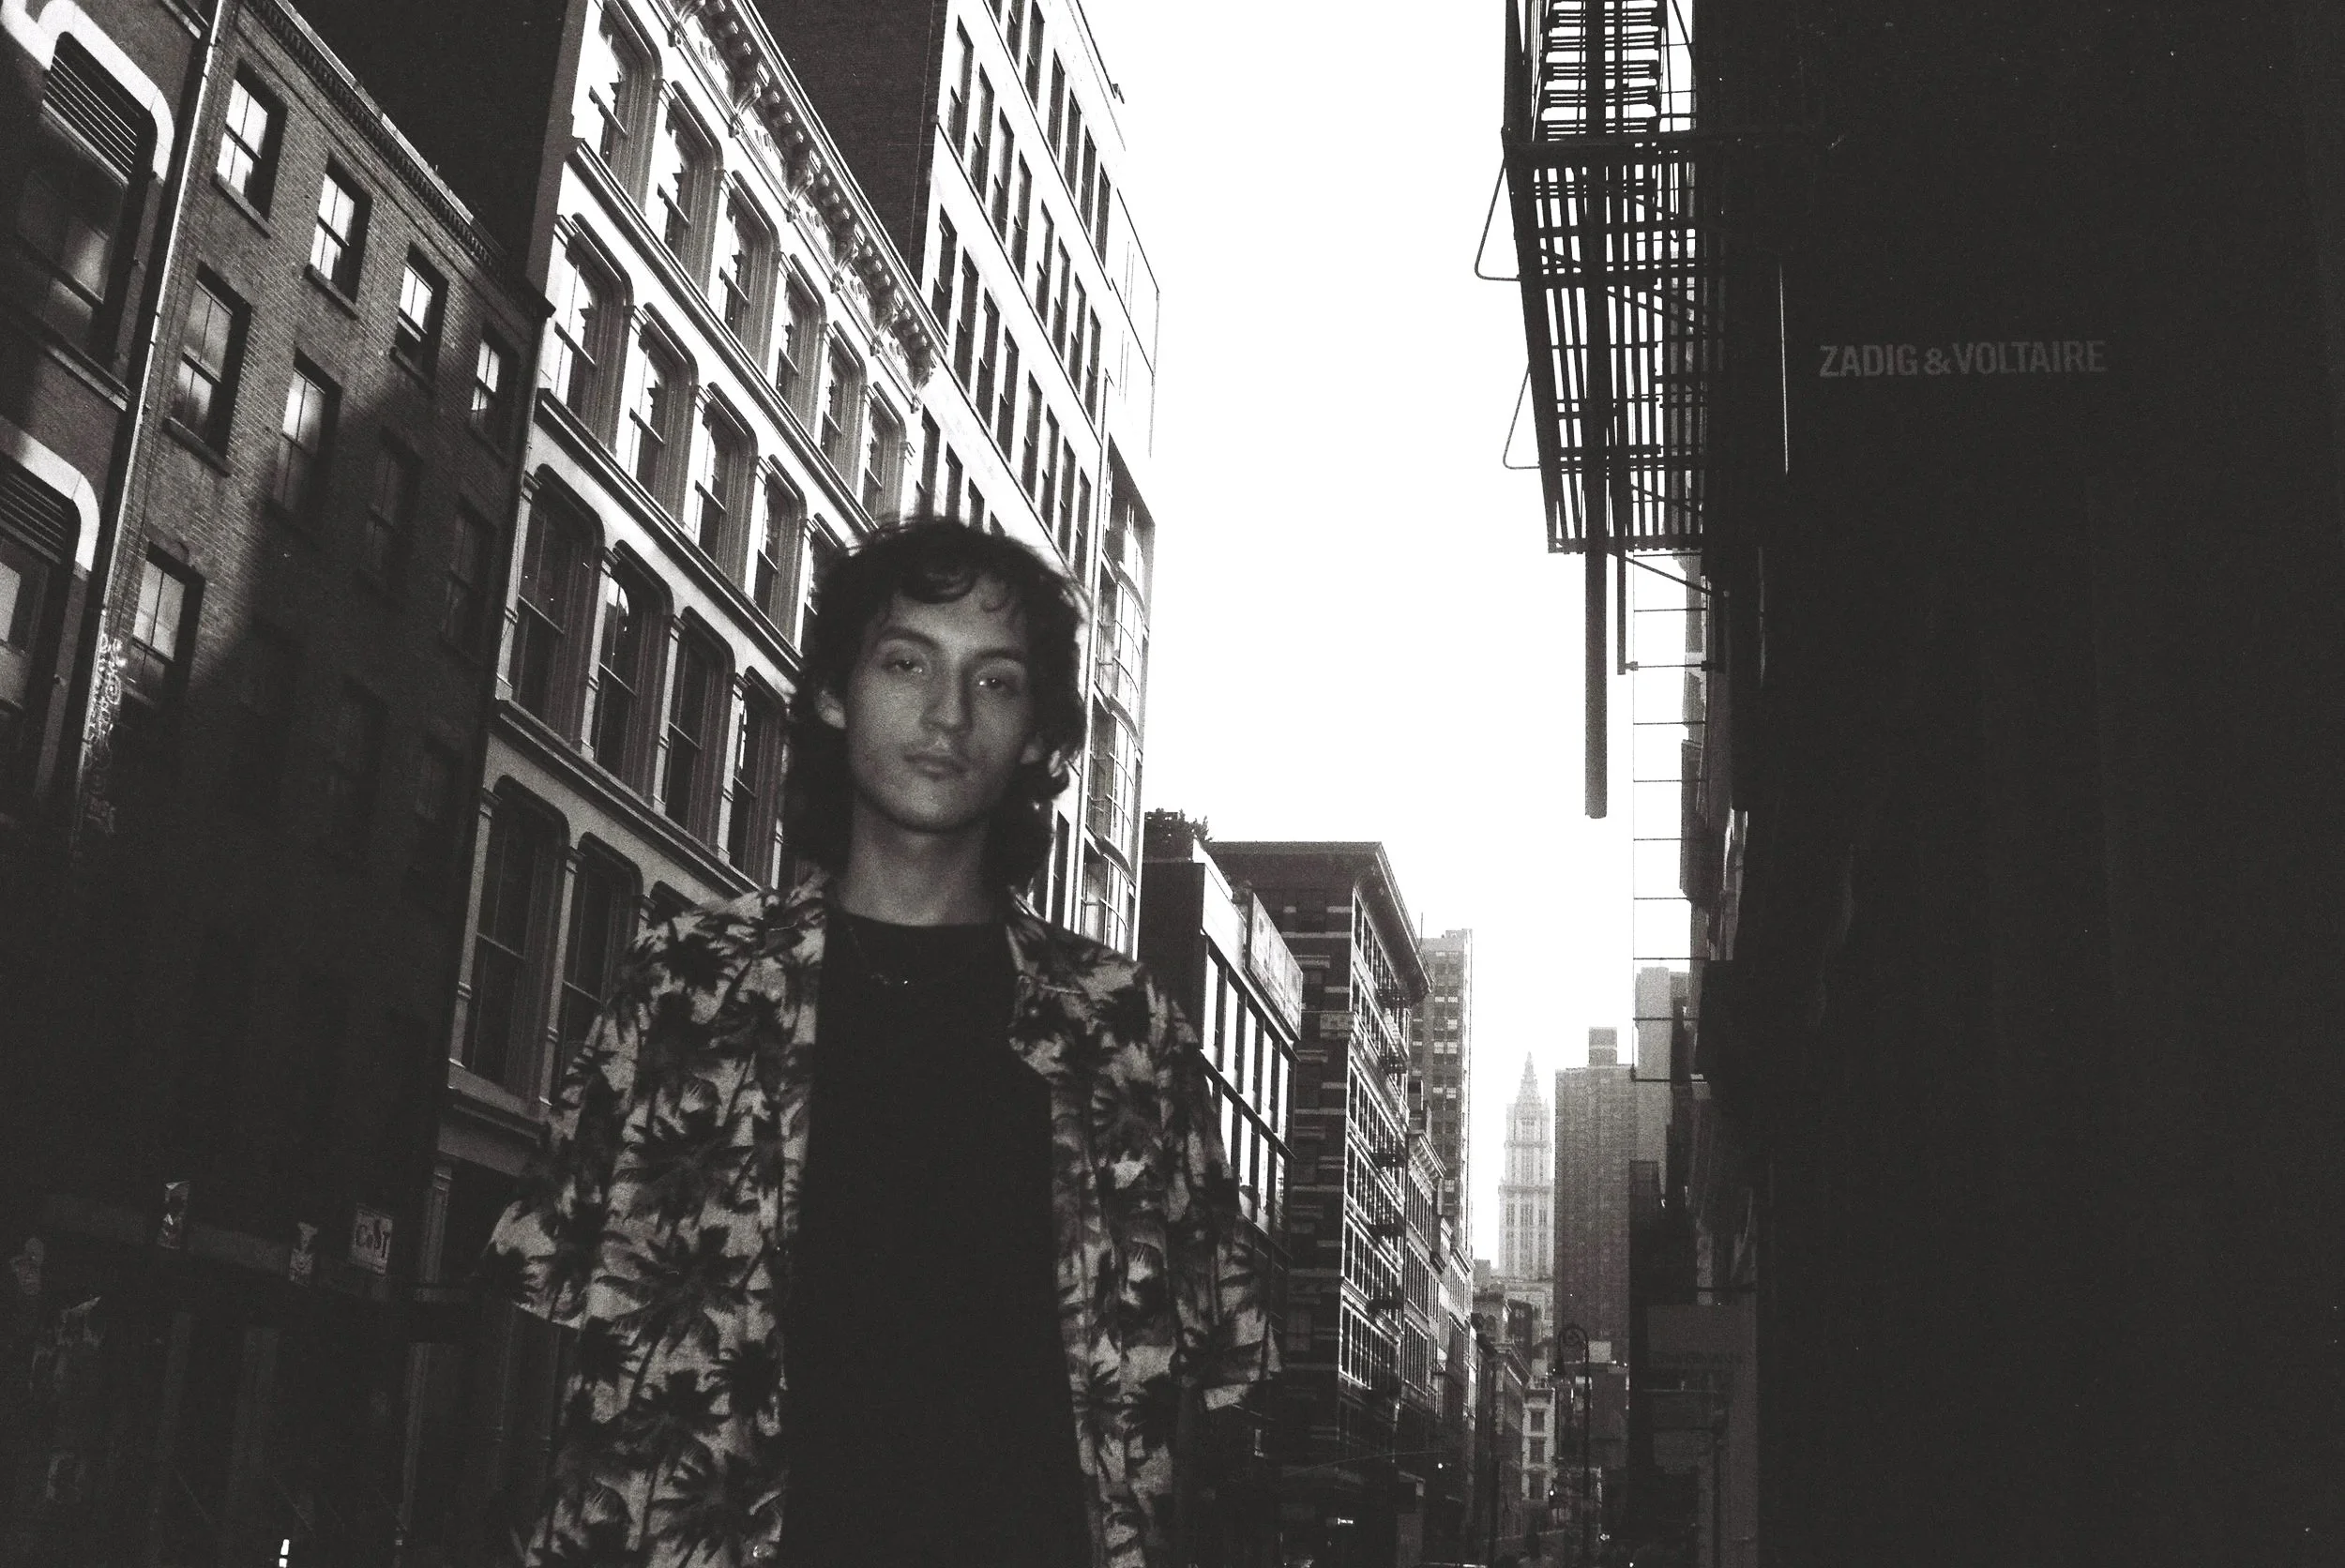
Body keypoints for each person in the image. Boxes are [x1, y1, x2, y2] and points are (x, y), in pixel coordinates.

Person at [481, 520, 1275, 1568]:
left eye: (995, 682)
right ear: (832, 693)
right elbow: (534, 1321)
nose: (946, 714)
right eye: (907, 662)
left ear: (1039, 737)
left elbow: (1204, 1396)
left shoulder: (1122, 1031)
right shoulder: (689, 987)